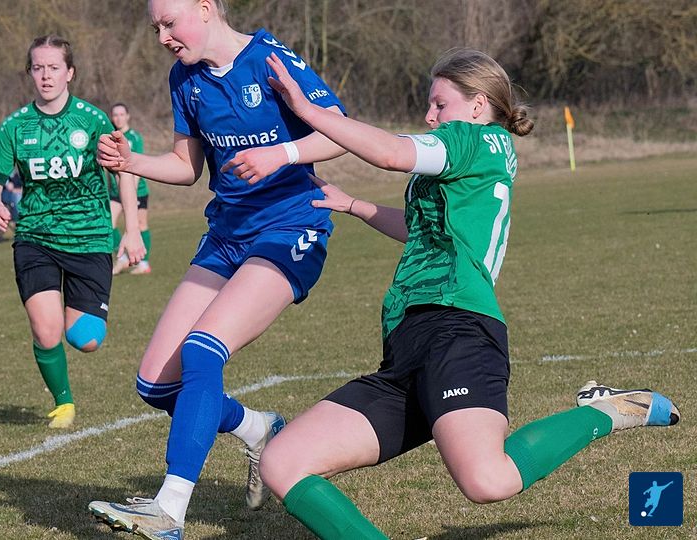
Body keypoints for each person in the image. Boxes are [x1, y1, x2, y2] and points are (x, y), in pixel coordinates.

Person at [251, 48, 681, 540]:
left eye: (440, 104)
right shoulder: (474, 150)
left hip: (457, 329)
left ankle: (609, 412)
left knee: (487, 480)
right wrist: (353, 205)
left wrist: (309, 111)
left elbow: (390, 153)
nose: (429, 115)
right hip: (408, 340)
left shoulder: (473, 139)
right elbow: (420, 228)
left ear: (478, 105)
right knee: (283, 461)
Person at [87, 1, 348, 537]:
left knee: (203, 349)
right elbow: (186, 167)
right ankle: (257, 428)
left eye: (169, 23)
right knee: (155, 384)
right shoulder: (184, 78)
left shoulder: (270, 59)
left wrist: (281, 155)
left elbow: (338, 131)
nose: (162, 36)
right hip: (226, 236)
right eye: (155, 27)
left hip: (290, 229)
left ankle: (168, 510)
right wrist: (130, 162)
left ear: (205, 8)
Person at [0, 35, 145, 430]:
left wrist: (132, 229)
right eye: (38, 68)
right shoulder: (15, 126)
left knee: (86, 338)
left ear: (69, 73)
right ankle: (63, 402)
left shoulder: (92, 121)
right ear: (30, 73)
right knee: (46, 329)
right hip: (35, 236)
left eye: (54, 67)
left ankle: (81, 322)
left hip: (90, 237)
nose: (46, 75)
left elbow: (123, 172)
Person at [108, 103, 153, 275]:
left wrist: (131, 192)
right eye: (115, 115)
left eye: (121, 114)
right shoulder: (110, 137)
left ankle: (143, 263)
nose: (118, 118)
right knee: (108, 223)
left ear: (127, 116)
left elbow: (138, 166)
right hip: (115, 192)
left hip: (137, 191)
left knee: (141, 224)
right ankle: (122, 259)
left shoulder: (134, 138)